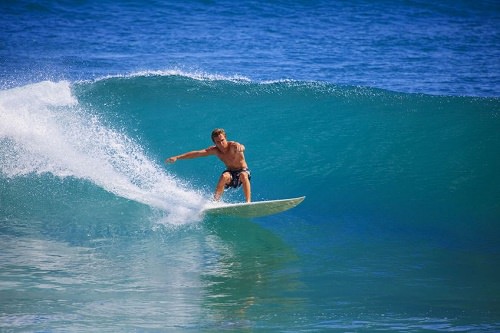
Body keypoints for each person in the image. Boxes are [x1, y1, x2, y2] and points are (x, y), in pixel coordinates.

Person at [166, 128, 251, 202]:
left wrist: (241, 147)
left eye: (222, 140)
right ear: (215, 143)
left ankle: (248, 202)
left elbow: (241, 146)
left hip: (243, 171)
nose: (221, 144)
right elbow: (197, 153)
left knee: (243, 175)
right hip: (231, 174)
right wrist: (177, 157)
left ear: (225, 138)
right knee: (224, 176)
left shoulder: (233, 146)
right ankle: (215, 202)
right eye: (218, 142)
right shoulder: (215, 150)